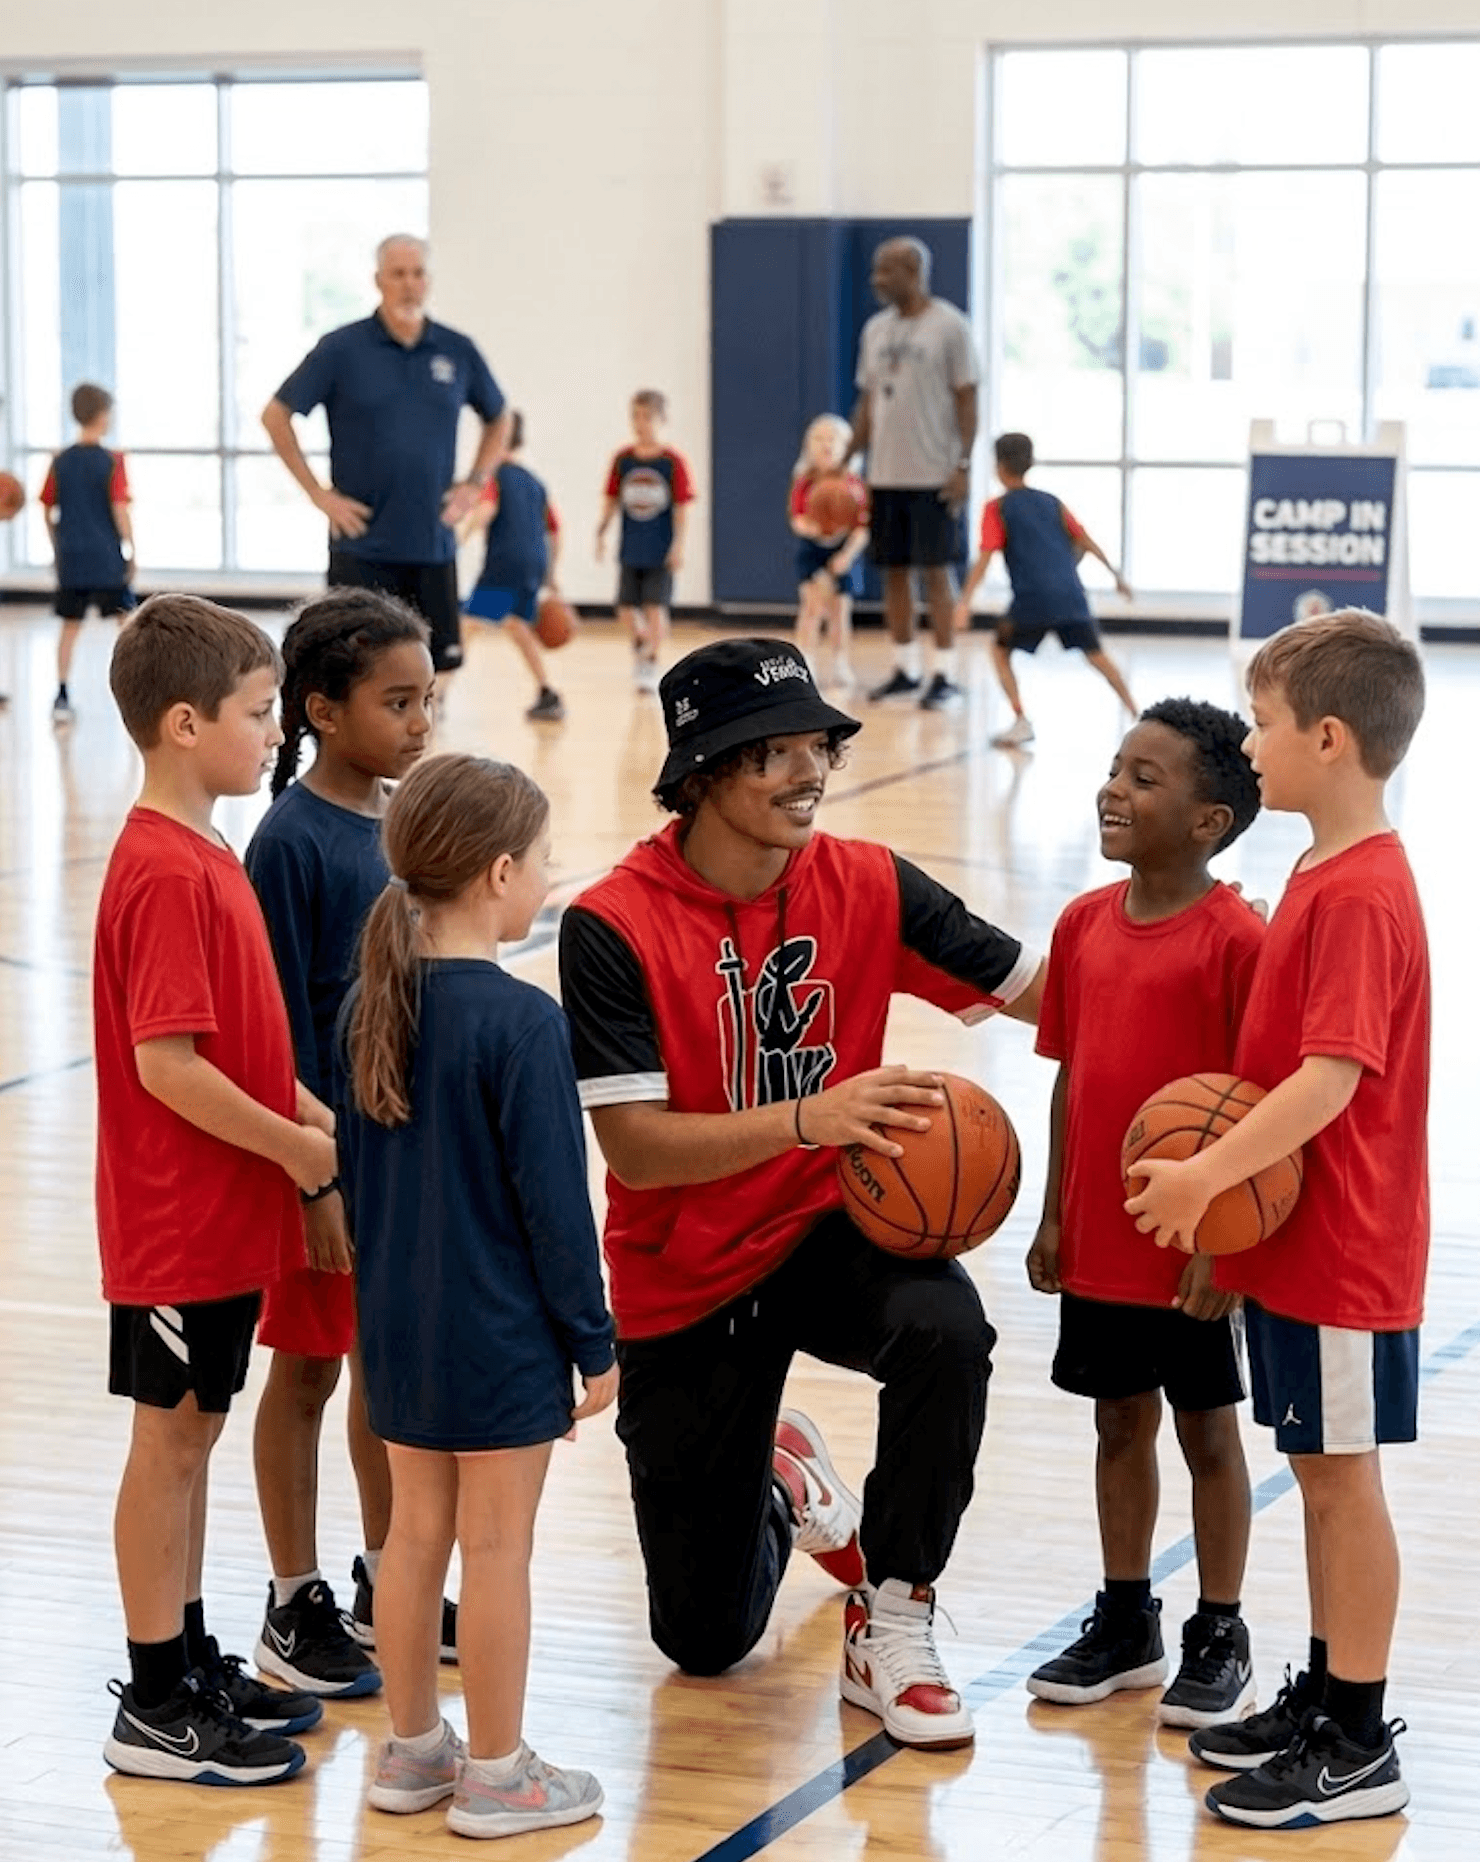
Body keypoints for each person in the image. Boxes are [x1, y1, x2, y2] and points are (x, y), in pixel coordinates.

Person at [558, 638, 1045, 1751]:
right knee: (706, 1639)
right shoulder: (611, 924)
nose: (805, 771)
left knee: (945, 1326)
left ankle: (897, 1609)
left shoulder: (868, 880)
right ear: (699, 777)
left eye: (813, 745)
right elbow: (635, 1150)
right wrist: (806, 1117)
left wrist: (1213, 947)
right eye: (769, 753)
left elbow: (1043, 989)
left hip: (829, 1228)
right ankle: (785, 1481)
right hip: (686, 1272)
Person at [1127, 611, 1428, 1830]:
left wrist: (1204, 1182)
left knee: (1341, 1483)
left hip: (1346, 1241)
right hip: (1298, 1240)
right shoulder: (1316, 865)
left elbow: (1329, 1079)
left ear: (1328, 736)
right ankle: (1325, 1689)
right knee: (1310, 1473)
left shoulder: (1358, 891)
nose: (1247, 744)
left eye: (1258, 723)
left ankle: (1357, 1739)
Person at [336, 753, 616, 1839]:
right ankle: (498, 1771)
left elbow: (357, 1180)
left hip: (396, 1326)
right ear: (500, 873)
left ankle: (412, 1752)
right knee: (497, 1547)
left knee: (412, 1537)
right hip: (498, 1333)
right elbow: (557, 1209)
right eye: (543, 860)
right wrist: (593, 1343)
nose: (548, 877)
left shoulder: (372, 1001)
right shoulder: (522, 1021)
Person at [94, 594, 337, 1786]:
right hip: (176, 1218)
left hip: (222, 1213)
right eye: (257, 713)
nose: (275, 732)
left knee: (194, 1432)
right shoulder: (162, 869)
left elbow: (233, 1038)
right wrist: (297, 1155)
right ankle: (152, 1701)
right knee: (168, 1443)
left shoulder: (209, 850)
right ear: (184, 723)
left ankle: (186, 1656)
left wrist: (302, 1106)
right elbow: (167, 1064)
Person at [1025, 699, 1264, 1726]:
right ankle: (1127, 1616)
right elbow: (1070, 1074)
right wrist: (1051, 1210)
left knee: (1207, 1432)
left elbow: (1255, 1112)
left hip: (1193, 1247)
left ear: (1207, 820)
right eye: (1116, 768)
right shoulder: (1080, 924)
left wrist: (1226, 1242)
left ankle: (1219, 1623)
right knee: (1116, 1420)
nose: (1112, 789)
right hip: (1100, 1237)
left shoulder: (1238, 939)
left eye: (1144, 777)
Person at [244, 590, 442, 1701]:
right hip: (320, 1161)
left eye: (428, 700)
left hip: (398, 1152)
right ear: (321, 710)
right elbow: (267, 1025)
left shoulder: (405, 824)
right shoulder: (291, 841)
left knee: (386, 1370)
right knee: (309, 1369)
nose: (420, 722)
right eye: (397, 701)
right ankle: (292, 1594)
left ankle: (387, 1576)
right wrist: (312, 1170)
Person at [261, 234, 507, 686]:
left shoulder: (457, 350)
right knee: (352, 675)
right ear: (378, 280)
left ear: (429, 281)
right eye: (398, 274)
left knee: (436, 673)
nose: (409, 285)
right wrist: (318, 494)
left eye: (417, 274)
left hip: (432, 542)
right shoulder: (341, 349)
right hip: (361, 548)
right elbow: (276, 415)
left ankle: (424, 753)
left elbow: (499, 419)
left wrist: (473, 484)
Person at [851, 237, 978, 712]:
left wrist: (963, 465)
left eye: (886, 271)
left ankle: (944, 674)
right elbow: (867, 400)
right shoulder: (875, 329)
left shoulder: (950, 327)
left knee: (936, 573)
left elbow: (968, 397)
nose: (876, 281)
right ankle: (905, 669)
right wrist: (849, 459)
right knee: (894, 575)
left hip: (933, 474)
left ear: (913, 269)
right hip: (885, 475)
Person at [954, 433, 1136, 750]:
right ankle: (1138, 714)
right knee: (1097, 656)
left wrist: (964, 602)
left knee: (999, 651)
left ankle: (1021, 720)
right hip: (1071, 596)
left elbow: (984, 558)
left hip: (1031, 600)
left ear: (998, 466)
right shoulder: (1052, 502)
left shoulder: (997, 508)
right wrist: (1116, 576)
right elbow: (1085, 541)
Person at [39, 382, 137, 723]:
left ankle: (62, 696)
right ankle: (138, 694)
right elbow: (119, 509)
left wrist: (57, 545)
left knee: (69, 628)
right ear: (102, 415)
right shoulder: (113, 461)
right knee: (128, 627)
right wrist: (132, 549)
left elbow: (47, 508)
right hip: (106, 558)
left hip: (73, 559)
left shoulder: (59, 461)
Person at [459, 411, 565, 721]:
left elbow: (487, 509)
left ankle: (434, 696)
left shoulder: (495, 475)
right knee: (517, 625)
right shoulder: (535, 482)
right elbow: (555, 531)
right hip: (534, 562)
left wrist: (463, 536)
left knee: (468, 624)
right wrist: (552, 573)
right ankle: (548, 692)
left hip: (505, 562)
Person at [595, 389, 695, 692]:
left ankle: (650, 662)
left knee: (655, 607)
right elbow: (611, 498)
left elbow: (681, 508)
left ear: (662, 420)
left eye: (648, 417)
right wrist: (601, 530)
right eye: (636, 417)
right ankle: (641, 639)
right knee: (625, 607)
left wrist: (678, 546)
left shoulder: (672, 461)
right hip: (631, 545)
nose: (641, 423)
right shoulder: (623, 459)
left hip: (660, 548)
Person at [788, 414, 869, 689]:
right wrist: (813, 527)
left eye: (833, 439)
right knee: (811, 607)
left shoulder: (853, 485)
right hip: (813, 551)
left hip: (844, 550)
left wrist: (847, 555)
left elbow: (862, 527)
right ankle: (804, 661)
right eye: (819, 439)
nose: (826, 445)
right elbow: (796, 519)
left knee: (840, 610)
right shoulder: (805, 482)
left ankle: (840, 661)